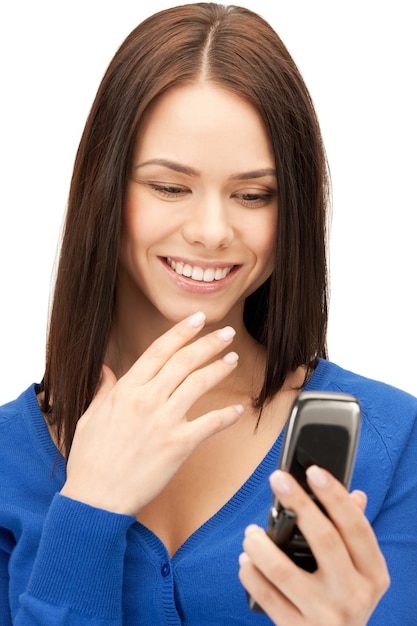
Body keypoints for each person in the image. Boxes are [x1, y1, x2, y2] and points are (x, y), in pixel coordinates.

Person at [0, 3, 416, 624]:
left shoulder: (392, 442)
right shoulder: (11, 462)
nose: (213, 231)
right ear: (104, 189)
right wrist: (88, 507)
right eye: (169, 186)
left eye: (253, 195)